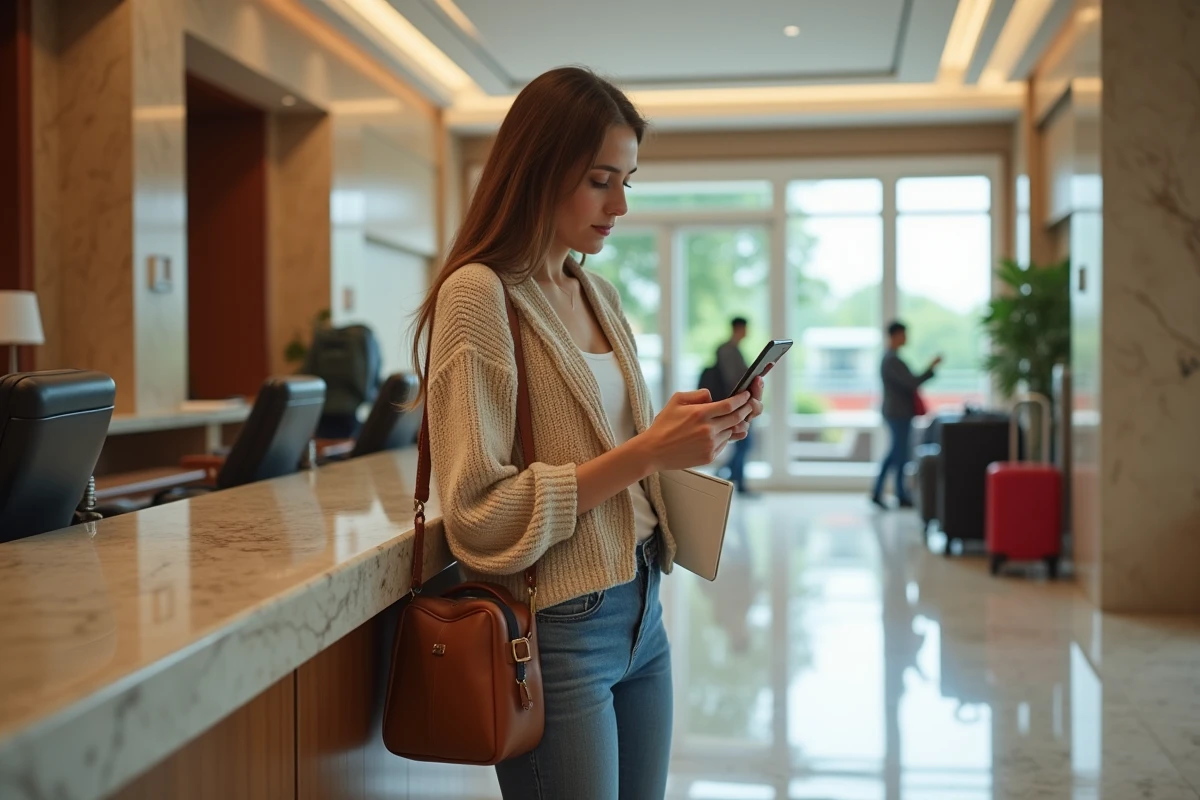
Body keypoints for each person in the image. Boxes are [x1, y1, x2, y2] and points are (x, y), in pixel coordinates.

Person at [409, 67, 765, 799]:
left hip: (643, 608)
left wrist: (695, 435)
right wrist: (646, 450)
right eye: (601, 180)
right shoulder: (479, 295)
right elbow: (477, 514)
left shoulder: (597, 292)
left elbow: (622, 458)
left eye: (627, 181)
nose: (620, 205)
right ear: (538, 170)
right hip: (559, 627)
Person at [872, 321, 940, 509]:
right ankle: (895, 494)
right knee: (898, 454)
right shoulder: (892, 360)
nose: (906, 338)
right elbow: (911, 382)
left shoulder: (891, 358)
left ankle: (888, 493)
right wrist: (931, 368)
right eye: (903, 334)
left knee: (897, 453)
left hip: (898, 413)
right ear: (895, 336)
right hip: (897, 413)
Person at [715, 318, 755, 495]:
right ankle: (732, 478)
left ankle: (730, 476)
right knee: (744, 442)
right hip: (735, 403)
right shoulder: (727, 350)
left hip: (739, 402)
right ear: (739, 328)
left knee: (744, 444)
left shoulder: (733, 349)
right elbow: (732, 378)